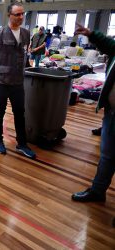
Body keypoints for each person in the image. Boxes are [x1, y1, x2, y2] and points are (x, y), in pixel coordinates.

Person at [71, 23, 115, 208]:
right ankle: (97, 191)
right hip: (112, 114)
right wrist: (91, 34)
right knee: (107, 155)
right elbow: (108, 45)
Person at [0, 2, 36, 159]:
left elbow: (23, 54)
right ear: (9, 15)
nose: (20, 17)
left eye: (22, 14)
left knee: (20, 113)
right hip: (1, 82)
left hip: (18, 82)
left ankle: (22, 143)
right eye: (17, 14)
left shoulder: (26, 34)